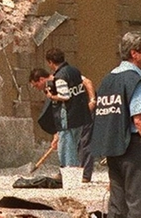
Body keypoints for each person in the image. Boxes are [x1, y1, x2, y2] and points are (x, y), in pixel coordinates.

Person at [90, 31, 141, 218]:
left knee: (117, 206)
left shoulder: (107, 80)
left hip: (113, 149)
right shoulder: (135, 81)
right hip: (135, 151)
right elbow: (139, 119)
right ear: (134, 53)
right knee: (139, 206)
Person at [46, 48, 97, 182]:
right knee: (74, 147)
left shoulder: (60, 76)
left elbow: (65, 96)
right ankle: (69, 175)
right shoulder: (75, 71)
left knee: (66, 149)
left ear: (50, 62)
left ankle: (70, 179)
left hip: (67, 116)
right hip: (80, 116)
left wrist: (52, 96)